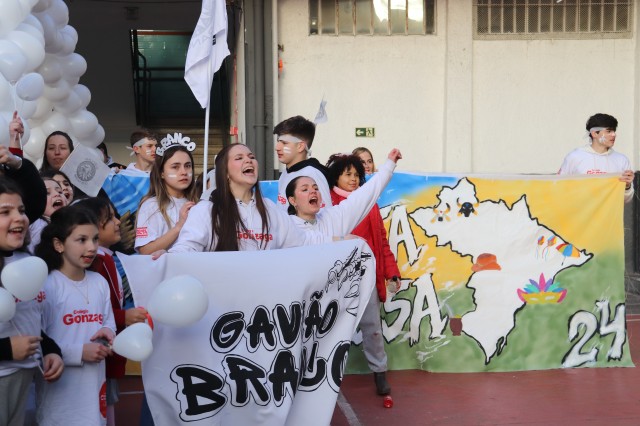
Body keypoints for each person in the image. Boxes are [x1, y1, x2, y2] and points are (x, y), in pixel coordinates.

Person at [327, 153, 402, 396]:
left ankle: (380, 372)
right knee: (331, 328)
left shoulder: (370, 205)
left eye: (357, 175)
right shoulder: (328, 205)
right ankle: (325, 375)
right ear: (335, 177)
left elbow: (381, 241)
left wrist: (391, 272)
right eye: (347, 174)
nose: (353, 179)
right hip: (337, 280)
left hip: (367, 277)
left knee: (373, 328)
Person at [169, 143, 333, 253]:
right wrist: (166, 258)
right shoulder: (206, 210)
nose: (248, 160)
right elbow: (186, 248)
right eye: (239, 158)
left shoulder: (270, 209)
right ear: (225, 173)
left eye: (251, 157)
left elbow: (303, 241)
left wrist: (341, 241)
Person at [34, 205, 116, 426]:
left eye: (95, 239)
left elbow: (108, 321)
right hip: (58, 400)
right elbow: (36, 342)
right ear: (58, 244)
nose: (92, 247)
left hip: (94, 390)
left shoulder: (99, 282)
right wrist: (78, 352)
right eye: (82, 240)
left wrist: (108, 331)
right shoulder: (46, 284)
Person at [75, 197, 148, 426]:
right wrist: (123, 317)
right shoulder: (94, 262)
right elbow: (92, 311)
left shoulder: (107, 257)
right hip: (98, 357)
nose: (118, 222)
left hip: (109, 356)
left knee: (107, 409)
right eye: (109, 218)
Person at [0, 178, 64, 426]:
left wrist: (50, 349)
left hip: (25, 377)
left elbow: (30, 320)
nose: (19, 218)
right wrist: (6, 349)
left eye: (21, 210)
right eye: (5, 212)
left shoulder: (26, 262)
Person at [286, 148, 401, 237]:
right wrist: (341, 240)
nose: (313, 192)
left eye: (316, 188)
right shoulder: (286, 228)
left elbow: (366, 193)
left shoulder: (331, 218)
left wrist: (389, 165)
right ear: (292, 200)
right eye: (305, 189)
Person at [135, 143, 198, 254]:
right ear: (162, 173)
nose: (184, 172)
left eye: (188, 166)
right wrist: (179, 227)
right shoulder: (150, 206)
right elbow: (145, 251)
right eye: (175, 167)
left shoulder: (198, 204)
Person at [558, 113, 634, 203]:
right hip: (581, 211)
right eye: (609, 131)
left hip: (611, 212)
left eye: (614, 131)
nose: (614, 134)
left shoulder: (622, 160)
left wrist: (627, 186)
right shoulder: (575, 157)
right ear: (594, 133)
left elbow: (625, 200)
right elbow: (559, 189)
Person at [274, 115, 331, 212]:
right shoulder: (286, 172)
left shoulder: (313, 175)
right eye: (278, 142)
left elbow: (324, 215)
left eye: (284, 143)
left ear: (300, 146)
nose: (277, 147)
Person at [28, 178, 67, 254]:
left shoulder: (74, 225)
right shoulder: (36, 223)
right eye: (47, 193)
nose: (57, 194)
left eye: (60, 191)